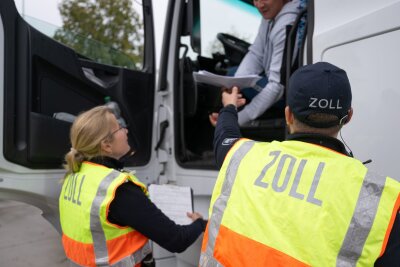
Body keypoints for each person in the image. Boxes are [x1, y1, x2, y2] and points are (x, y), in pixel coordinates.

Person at [200, 62, 400, 266]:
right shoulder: (380, 201)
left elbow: (225, 136)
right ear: (348, 117)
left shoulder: (243, 157)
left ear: (288, 115)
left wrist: (229, 107)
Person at [59, 106, 206, 267]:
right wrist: (200, 223)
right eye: (120, 127)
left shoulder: (74, 176)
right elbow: (177, 240)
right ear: (106, 145)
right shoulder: (119, 191)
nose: (126, 131)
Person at [211, 0, 302, 127]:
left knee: (230, 76)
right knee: (232, 78)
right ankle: (226, 114)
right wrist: (235, 84)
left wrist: (237, 120)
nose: (259, 5)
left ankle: (227, 122)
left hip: (286, 95)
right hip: (275, 82)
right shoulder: (270, 17)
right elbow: (256, 54)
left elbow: (277, 86)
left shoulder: (286, 24)